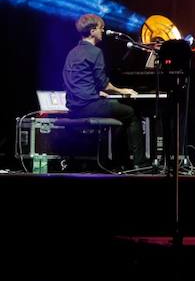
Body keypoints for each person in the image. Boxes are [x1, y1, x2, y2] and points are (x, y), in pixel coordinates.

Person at [62, 14, 145, 170]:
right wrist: (122, 90)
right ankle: (140, 164)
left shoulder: (72, 52)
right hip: (88, 105)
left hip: (74, 106)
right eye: (101, 29)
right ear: (93, 31)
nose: (103, 32)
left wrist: (94, 92)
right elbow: (104, 84)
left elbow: (72, 80)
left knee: (118, 112)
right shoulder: (95, 52)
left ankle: (119, 162)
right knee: (131, 113)